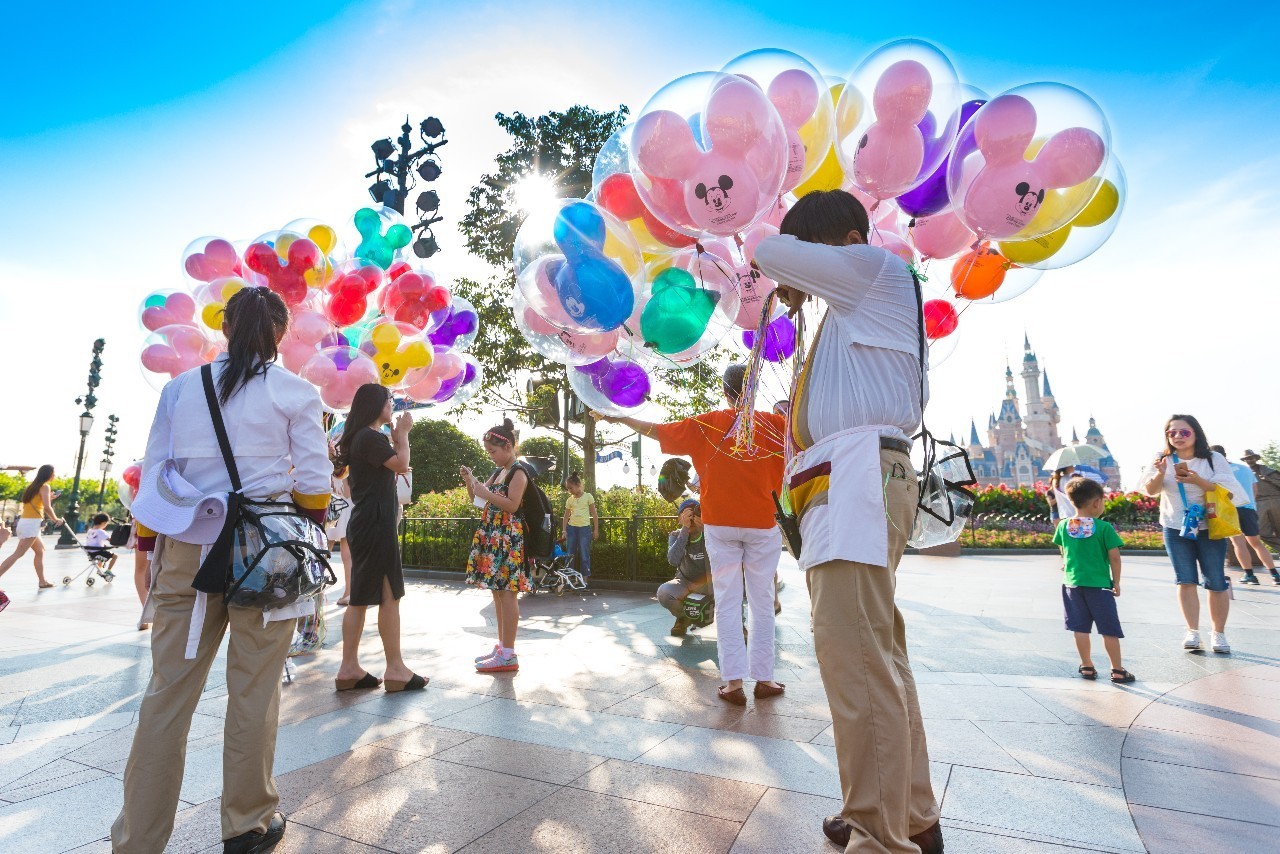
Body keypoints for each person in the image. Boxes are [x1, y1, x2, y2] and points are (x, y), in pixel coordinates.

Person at [753, 189, 941, 853]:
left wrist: (789, 262)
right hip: (846, 481)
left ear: (839, 240)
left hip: (858, 478)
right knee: (875, 655)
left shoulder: (874, 269)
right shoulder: (852, 302)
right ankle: (904, 813)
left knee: (856, 660)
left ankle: (878, 832)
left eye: (808, 252)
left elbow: (765, 249)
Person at [111, 287, 331, 854]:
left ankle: (138, 840)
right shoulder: (296, 392)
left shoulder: (181, 389)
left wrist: (151, 547)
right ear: (280, 334)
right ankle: (247, 823)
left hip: (190, 546)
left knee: (167, 696)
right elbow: (314, 484)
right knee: (254, 691)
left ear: (225, 329)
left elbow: (155, 474)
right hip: (266, 559)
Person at [595, 363, 787, 705]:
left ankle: (733, 684)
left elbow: (657, 430)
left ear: (725, 391)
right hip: (763, 525)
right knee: (761, 603)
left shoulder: (707, 424)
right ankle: (765, 678)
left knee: (728, 602)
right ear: (754, 388)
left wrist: (619, 418)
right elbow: (808, 441)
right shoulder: (775, 426)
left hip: (721, 525)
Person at [333, 383, 424, 693]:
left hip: (366, 522)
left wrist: (396, 438)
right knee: (388, 595)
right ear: (376, 405)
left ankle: (349, 668)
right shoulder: (370, 437)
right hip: (375, 523)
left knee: (360, 596)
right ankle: (395, 668)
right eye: (389, 401)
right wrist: (404, 436)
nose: (393, 406)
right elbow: (401, 465)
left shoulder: (363, 437)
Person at [1140, 415, 1245, 654]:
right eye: (1172, 433)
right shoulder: (1162, 458)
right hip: (1176, 526)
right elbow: (1151, 491)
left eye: (1184, 432)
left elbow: (1228, 491)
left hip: (1210, 526)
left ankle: (1218, 633)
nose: (1177, 436)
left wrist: (1197, 480)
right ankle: (1192, 632)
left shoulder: (1212, 459)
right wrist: (1160, 472)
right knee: (1185, 579)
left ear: (1196, 433)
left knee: (1215, 580)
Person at [463, 418, 530, 673]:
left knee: (508, 593)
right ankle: (503, 647)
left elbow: (512, 504)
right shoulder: (498, 471)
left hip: (508, 537)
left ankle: (509, 654)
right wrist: (471, 482)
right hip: (495, 536)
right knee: (498, 592)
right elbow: (478, 500)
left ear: (509, 447)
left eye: (493, 451)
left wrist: (485, 491)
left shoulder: (518, 471)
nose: (491, 456)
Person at [1054, 478, 1134, 683]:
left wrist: (1066, 562)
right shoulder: (1104, 528)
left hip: (1072, 584)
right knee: (1109, 629)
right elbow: (1115, 557)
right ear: (1097, 502)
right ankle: (1117, 670)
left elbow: (1062, 548)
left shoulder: (1064, 526)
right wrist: (1116, 582)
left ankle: (1087, 666)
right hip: (1099, 587)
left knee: (1080, 628)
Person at [1212, 445, 1278, 585]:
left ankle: (1250, 575)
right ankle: (1275, 575)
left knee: (1238, 544)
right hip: (1249, 509)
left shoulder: (1217, 473)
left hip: (1230, 511)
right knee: (1257, 543)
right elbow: (1254, 490)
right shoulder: (1245, 469)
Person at [0, 464, 63, 590]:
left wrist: (49, 498)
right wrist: (56, 519)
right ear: (49, 474)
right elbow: (46, 507)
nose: (55, 475)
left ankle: (42, 581)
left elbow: (37, 503)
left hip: (26, 522)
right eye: (54, 473)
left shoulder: (33, 487)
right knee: (17, 554)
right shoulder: (45, 486)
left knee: (40, 551)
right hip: (31, 524)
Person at [658, 498, 713, 636]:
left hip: (711, 584)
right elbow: (673, 560)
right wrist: (684, 530)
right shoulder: (676, 535)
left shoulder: (711, 533)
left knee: (734, 586)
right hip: (686, 583)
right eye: (686, 514)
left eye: (695, 513)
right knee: (664, 593)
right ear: (680, 519)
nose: (691, 518)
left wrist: (706, 531)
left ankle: (739, 625)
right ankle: (684, 618)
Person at [1243, 449, 1280, 559]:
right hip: (1258, 503)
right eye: (1247, 459)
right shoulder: (1245, 473)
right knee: (1261, 532)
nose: (1249, 460)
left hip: (1276, 500)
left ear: (1256, 458)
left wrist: (1268, 479)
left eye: (1251, 457)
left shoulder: (1269, 471)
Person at [561, 471, 597, 582]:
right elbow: (566, 516)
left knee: (584, 555)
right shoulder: (570, 500)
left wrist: (596, 530)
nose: (569, 491)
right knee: (569, 555)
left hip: (584, 529)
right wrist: (564, 530)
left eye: (571, 488)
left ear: (578, 485)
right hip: (572, 528)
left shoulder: (588, 497)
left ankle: (584, 581)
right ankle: (569, 580)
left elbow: (594, 514)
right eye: (568, 488)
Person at [327, 461, 355, 605]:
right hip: (343, 509)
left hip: (333, 509)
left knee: (324, 551)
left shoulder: (329, 468)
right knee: (346, 555)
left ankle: (317, 592)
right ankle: (348, 592)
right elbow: (348, 493)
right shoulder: (346, 469)